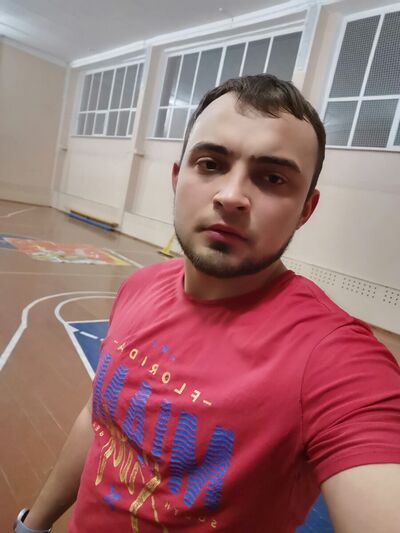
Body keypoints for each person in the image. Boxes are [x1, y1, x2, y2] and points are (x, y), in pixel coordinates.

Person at [15, 75, 400, 533]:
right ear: (177, 177)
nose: (231, 196)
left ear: (305, 210)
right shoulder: (138, 287)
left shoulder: (335, 360)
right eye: (211, 163)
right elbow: (99, 423)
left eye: (272, 177)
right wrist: (33, 524)